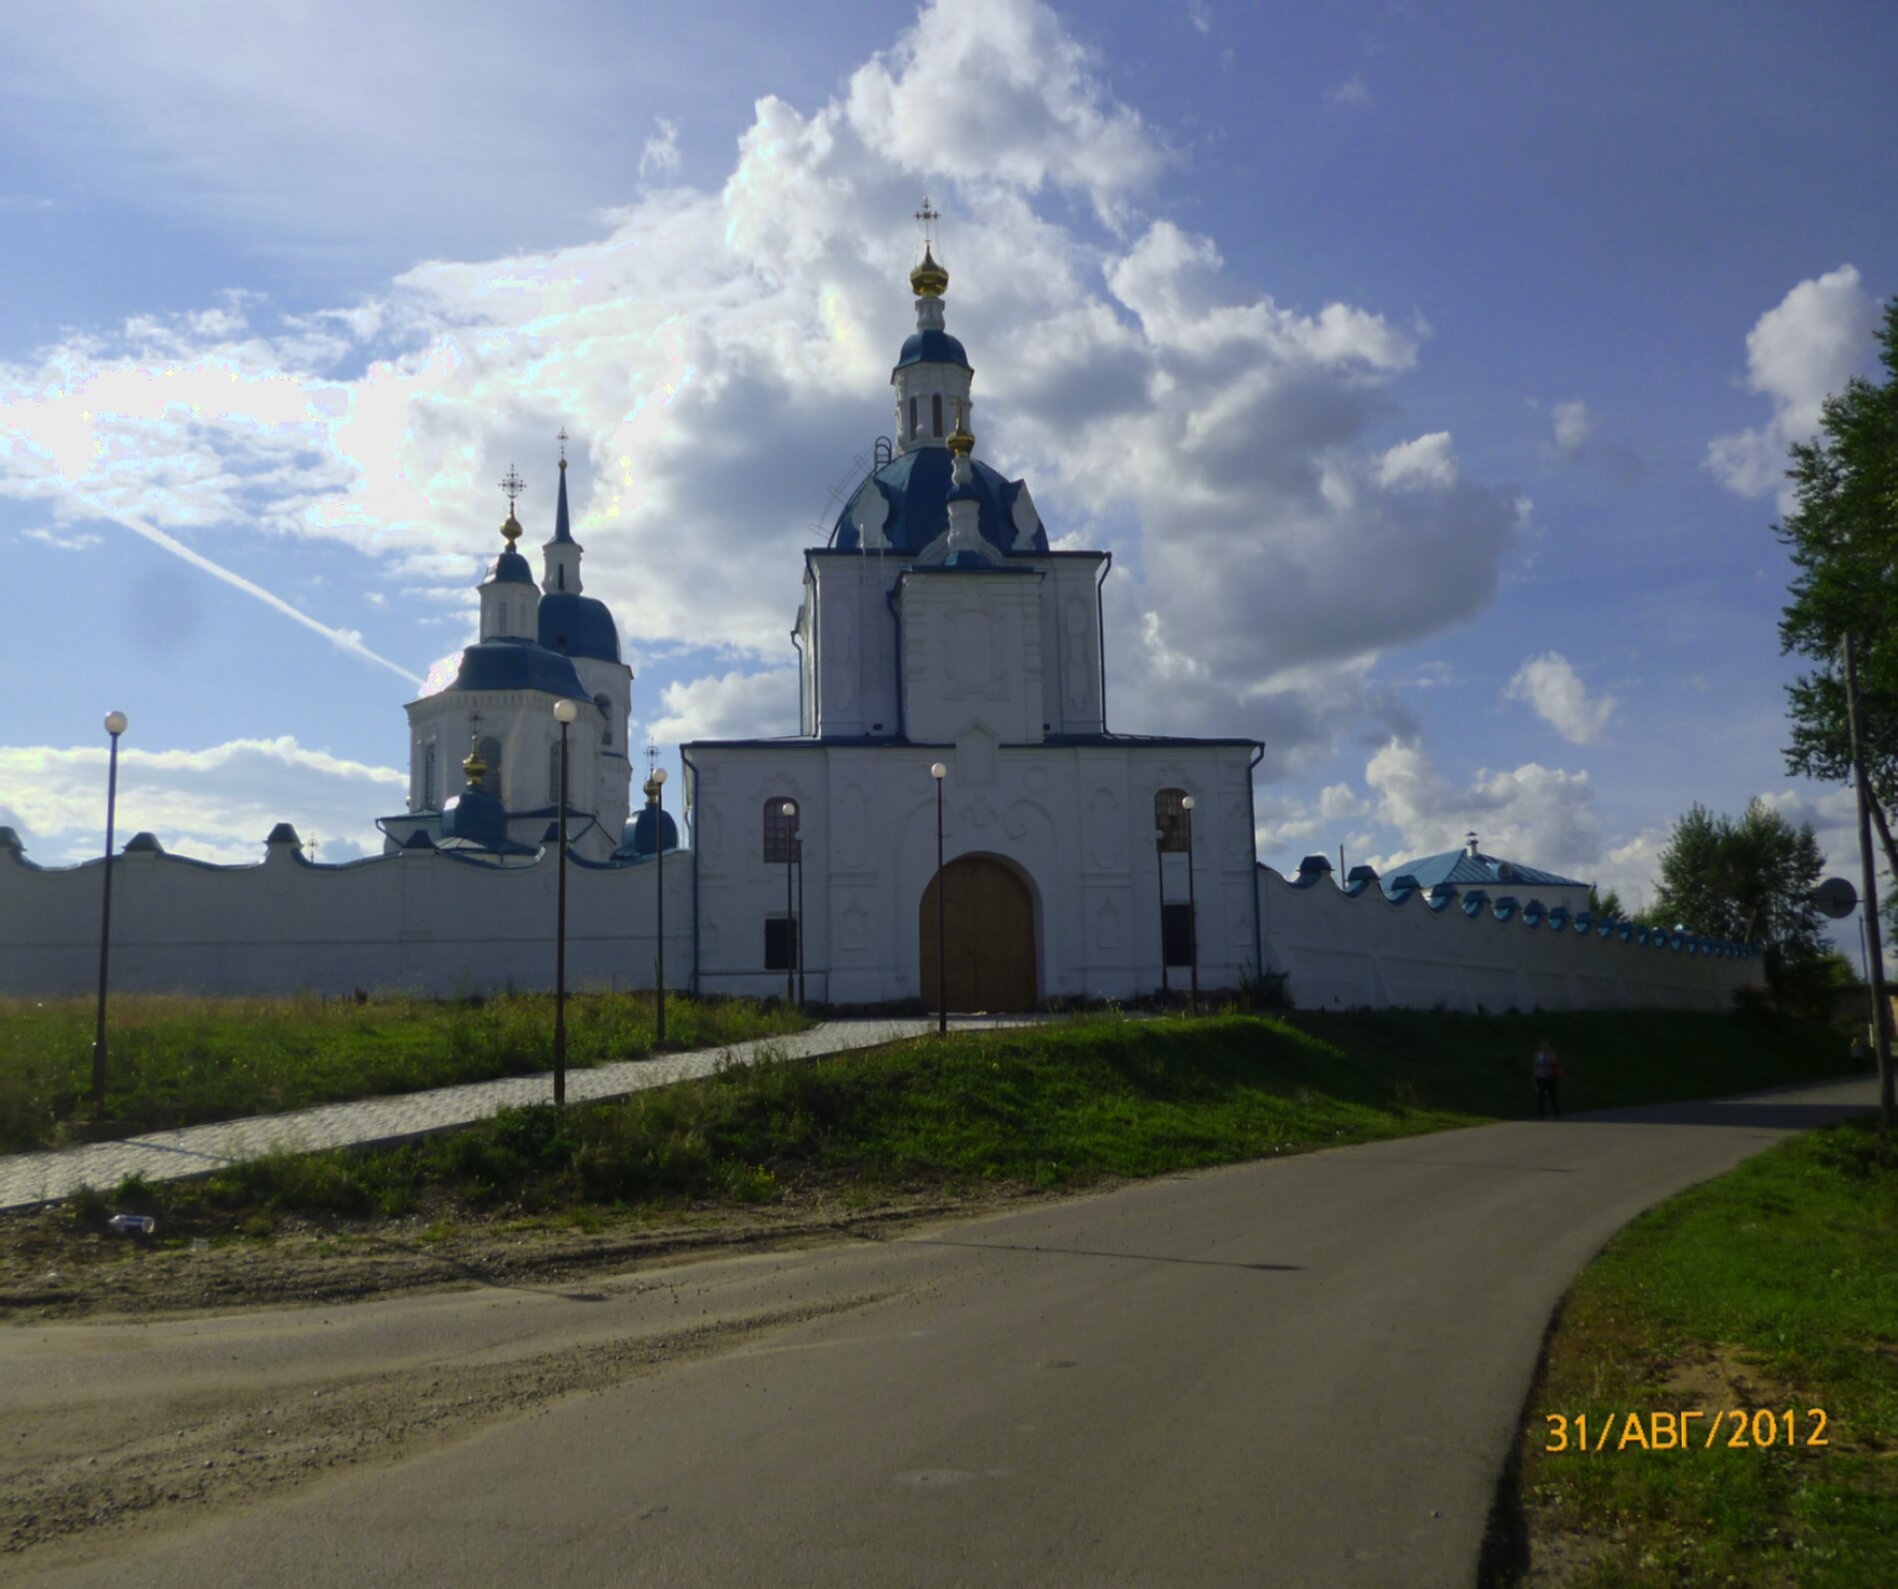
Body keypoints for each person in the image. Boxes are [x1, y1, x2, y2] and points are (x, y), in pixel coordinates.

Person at [1533, 1037, 1562, 1118]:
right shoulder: (1538, 1054)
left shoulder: (1551, 1053)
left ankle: (1557, 1112)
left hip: (1550, 1077)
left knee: (1552, 1094)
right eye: (1543, 1044)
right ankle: (1541, 1113)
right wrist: (1535, 1077)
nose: (1544, 1046)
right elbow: (1535, 1065)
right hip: (1540, 1076)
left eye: (1546, 1044)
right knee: (1541, 1095)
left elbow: (1554, 1062)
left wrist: (1548, 1053)